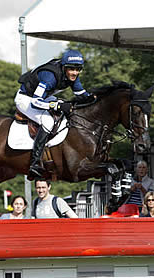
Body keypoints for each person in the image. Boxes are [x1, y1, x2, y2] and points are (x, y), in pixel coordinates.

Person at [15, 49, 94, 180]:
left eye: (78, 69)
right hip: (26, 99)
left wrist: (94, 98)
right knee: (48, 121)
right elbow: (35, 101)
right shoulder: (49, 76)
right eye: (72, 69)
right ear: (64, 67)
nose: (75, 73)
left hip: (43, 98)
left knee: (64, 106)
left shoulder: (71, 74)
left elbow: (80, 94)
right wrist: (56, 106)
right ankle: (34, 163)